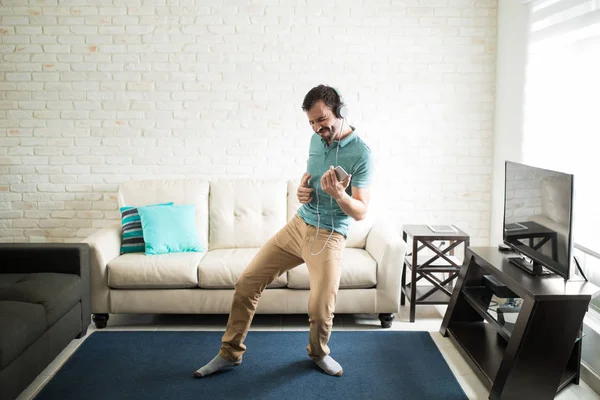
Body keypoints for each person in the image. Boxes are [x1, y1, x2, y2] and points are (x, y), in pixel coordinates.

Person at [194, 84, 373, 378]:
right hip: (298, 226)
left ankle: (318, 353)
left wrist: (341, 195)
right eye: (312, 122)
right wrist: (304, 191)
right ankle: (230, 353)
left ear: (340, 111)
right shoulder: (316, 141)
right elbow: (310, 184)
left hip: (329, 236)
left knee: (320, 308)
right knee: (247, 284)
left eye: (323, 120)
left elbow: (362, 211)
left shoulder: (362, 154)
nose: (318, 128)